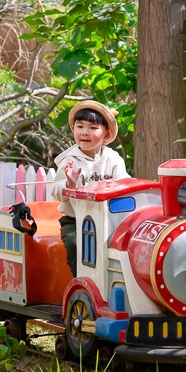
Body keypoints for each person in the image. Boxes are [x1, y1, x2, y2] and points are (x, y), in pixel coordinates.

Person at [50, 100, 129, 276]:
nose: (85, 132)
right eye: (80, 126)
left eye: (93, 128)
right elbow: (56, 192)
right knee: (75, 244)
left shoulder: (113, 159)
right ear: (73, 129)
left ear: (106, 134)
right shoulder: (70, 161)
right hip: (76, 220)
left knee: (124, 243)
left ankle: (116, 280)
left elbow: (124, 184)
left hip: (108, 218)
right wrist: (69, 183)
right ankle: (81, 281)